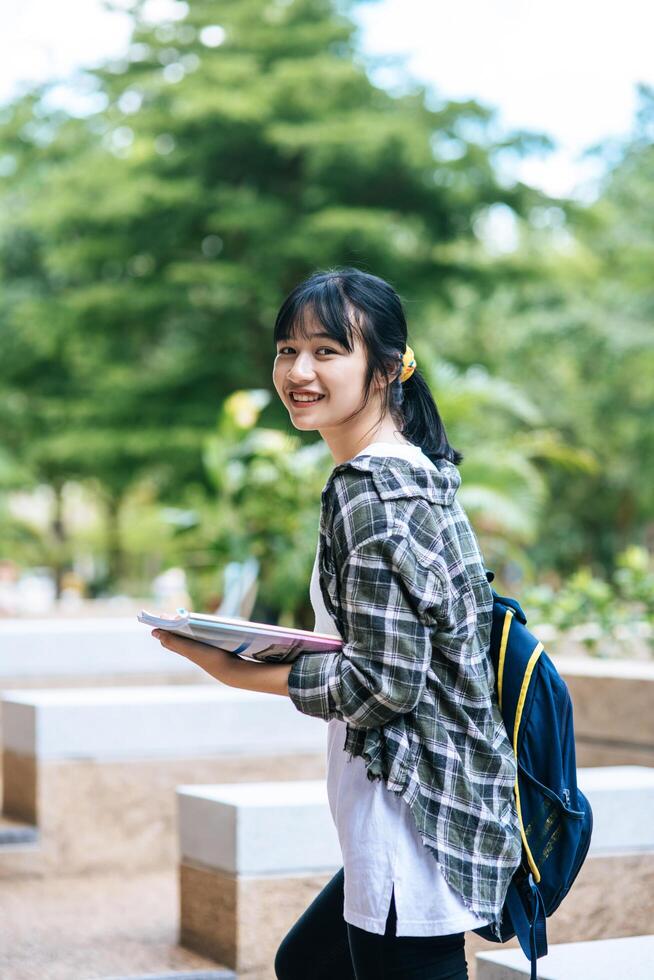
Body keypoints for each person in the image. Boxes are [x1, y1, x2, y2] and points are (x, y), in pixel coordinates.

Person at [151, 267, 522, 980]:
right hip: (432, 798)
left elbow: (385, 684)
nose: (299, 371)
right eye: (287, 350)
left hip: (408, 810)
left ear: (385, 369)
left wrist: (237, 667)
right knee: (308, 963)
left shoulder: (369, 491)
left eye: (327, 350)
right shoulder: (413, 469)